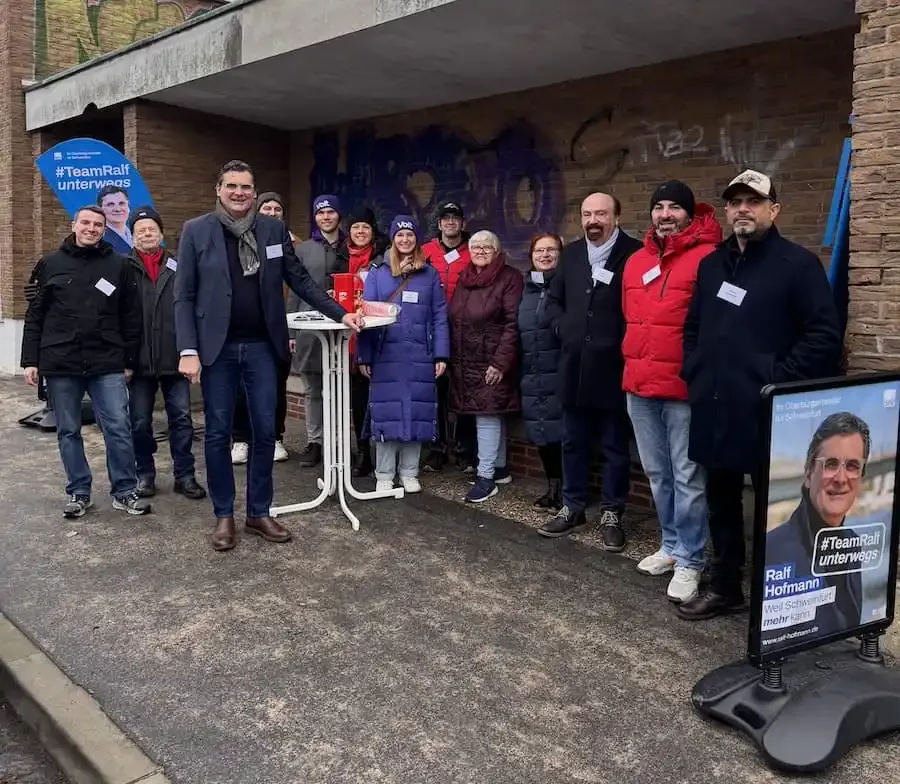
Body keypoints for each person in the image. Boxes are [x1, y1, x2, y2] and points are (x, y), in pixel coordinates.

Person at [678, 169, 842, 620]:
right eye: (735, 202)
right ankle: (726, 587)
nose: (743, 209)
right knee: (721, 501)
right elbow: (694, 326)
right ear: (727, 210)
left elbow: (823, 336)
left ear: (774, 210)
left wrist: (776, 381)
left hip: (769, 411)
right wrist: (695, 369)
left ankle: (782, 600)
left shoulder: (798, 265)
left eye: (754, 201)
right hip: (714, 404)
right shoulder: (712, 265)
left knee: (781, 507)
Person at [174, 161, 363, 552]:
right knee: (217, 433)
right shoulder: (196, 231)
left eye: (246, 186)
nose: (239, 192)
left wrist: (340, 312)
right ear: (218, 189)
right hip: (216, 349)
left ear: (255, 190)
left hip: (263, 346)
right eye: (232, 186)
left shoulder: (273, 229)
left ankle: (258, 512)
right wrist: (188, 349)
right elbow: (184, 295)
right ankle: (224, 515)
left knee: (264, 432)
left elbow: (300, 280)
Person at [621, 181, 721, 604]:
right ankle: (672, 544)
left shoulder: (708, 258)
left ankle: (692, 561)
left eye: (673, 207)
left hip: (682, 388)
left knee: (688, 477)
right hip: (640, 384)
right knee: (658, 474)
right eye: (658, 207)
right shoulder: (636, 261)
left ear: (689, 213)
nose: (665, 214)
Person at [21, 206, 151, 518]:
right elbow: (35, 315)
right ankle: (79, 492)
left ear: (105, 230)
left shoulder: (119, 265)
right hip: (61, 362)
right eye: (86, 223)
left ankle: (125, 490)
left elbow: (132, 317)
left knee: (118, 427)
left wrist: (129, 360)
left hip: (106, 361)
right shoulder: (50, 264)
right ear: (74, 225)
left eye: (98, 224)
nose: (91, 228)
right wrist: (30, 360)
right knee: (68, 430)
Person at [539, 192, 641, 550]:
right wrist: (561, 328)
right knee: (573, 443)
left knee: (615, 446)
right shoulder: (570, 255)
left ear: (616, 216)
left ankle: (612, 512)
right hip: (573, 367)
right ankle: (572, 507)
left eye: (600, 213)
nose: (593, 220)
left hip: (614, 369)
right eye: (586, 214)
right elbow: (553, 300)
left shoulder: (635, 253)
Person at [357, 216, 450, 493]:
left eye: (410, 235)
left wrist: (441, 355)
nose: (405, 240)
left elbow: (440, 316)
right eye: (400, 235)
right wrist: (365, 356)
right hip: (386, 354)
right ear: (393, 239)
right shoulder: (378, 272)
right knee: (387, 413)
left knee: (417, 413)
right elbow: (366, 315)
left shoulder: (429, 274)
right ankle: (384, 473)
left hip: (420, 353)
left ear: (416, 239)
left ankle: (410, 471)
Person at [764, 413, 869, 640]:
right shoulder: (774, 550)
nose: (841, 478)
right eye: (830, 464)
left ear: (861, 477)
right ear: (809, 473)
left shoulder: (851, 544)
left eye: (852, 466)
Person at [126, 206, 207, 501]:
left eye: (152, 229)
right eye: (141, 230)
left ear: (161, 233)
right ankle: (144, 474)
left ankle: (184, 475)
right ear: (132, 236)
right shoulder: (123, 267)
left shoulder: (180, 263)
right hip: (138, 361)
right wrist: (123, 359)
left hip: (175, 357)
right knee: (138, 421)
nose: (147, 233)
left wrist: (193, 351)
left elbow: (194, 307)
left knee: (182, 419)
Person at [449, 230, 524, 504]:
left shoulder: (510, 278)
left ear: (497, 250)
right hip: (467, 359)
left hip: (492, 360)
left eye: (486, 247)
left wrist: (500, 362)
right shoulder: (465, 277)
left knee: (488, 416)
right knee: (491, 413)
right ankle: (500, 469)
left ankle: (486, 477)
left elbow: (513, 324)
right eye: (476, 247)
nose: (480, 251)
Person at [231, 191, 294, 465]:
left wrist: (291, 331)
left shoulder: (293, 244)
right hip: (247, 327)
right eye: (266, 207)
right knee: (240, 388)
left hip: (278, 329)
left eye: (276, 208)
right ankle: (241, 439)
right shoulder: (244, 239)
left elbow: (299, 286)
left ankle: (276, 438)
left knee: (276, 387)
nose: (271, 212)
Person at [289, 194, 349, 468]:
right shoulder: (303, 250)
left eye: (331, 212)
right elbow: (293, 291)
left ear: (338, 215)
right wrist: (291, 330)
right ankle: (316, 441)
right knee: (313, 389)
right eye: (320, 213)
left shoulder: (351, 247)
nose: (326, 217)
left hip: (345, 328)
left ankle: (343, 442)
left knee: (342, 389)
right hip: (310, 330)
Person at [422, 202, 476, 473]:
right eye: (446, 219)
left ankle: (466, 450)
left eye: (456, 218)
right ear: (440, 224)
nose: (451, 222)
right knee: (437, 391)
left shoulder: (473, 250)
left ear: (462, 223)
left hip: (466, 331)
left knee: (465, 390)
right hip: (435, 330)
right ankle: (437, 448)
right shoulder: (426, 252)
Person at [518, 233, 565, 512]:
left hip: (559, 371)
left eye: (551, 250)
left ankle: (568, 492)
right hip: (532, 372)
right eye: (539, 251)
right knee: (541, 431)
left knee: (563, 433)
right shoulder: (526, 288)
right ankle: (553, 487)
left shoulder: (568, 285)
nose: (545, 255)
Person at [346, 205, 389, 478]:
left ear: (373, 231)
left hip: (377, 334)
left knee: (382, 396)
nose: (360, 232)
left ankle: (384, 454)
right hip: (347, 339)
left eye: (365, 227)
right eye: (355, 227)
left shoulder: (384, 258)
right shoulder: (340, 256)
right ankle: (363, 451)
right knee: (358, 398)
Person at [96, 185, 132, 254]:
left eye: (121, 203)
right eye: (110, 204)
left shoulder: (135, 233)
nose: (117, 209)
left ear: (128, 206)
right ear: (100, 210)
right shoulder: (99, 241)